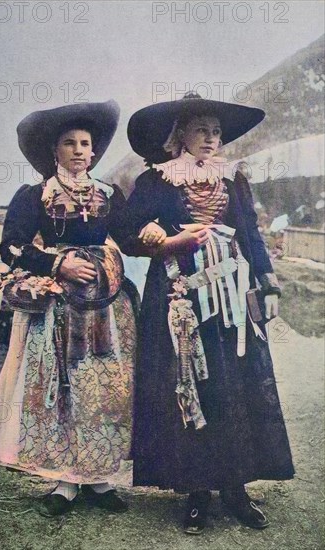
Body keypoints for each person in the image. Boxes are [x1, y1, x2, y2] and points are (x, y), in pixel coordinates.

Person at [124, 92, 294, 534]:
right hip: (179, 296)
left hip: (231, 296)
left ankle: (235, 489)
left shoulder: (234, 179)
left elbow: (252, 235)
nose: (211, 138)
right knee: (191, 382)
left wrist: (268, 283)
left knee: (233, 381)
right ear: (180, 134)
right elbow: (126, 233)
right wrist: (154, 233)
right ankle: (197, 490)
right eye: (202, 129)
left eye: (216, 131)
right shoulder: (155, 182)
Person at [0, 100, 137, 517]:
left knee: (100, 390)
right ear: (55, 151)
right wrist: (57, 263)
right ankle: (65, 482)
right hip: (57, 310)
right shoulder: (34, 196)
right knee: (63, 389)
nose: (80, 150)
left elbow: (131, 237)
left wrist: (161, 236)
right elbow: (10, 245)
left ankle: (100, 480)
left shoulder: (109, 194)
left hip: (104, 311)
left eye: (86, 143)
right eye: (70, 143)